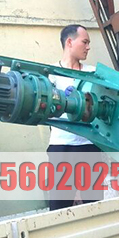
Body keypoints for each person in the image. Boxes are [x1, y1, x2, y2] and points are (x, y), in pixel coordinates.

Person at [46, 24, 103, 211]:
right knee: (59, 207)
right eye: (85, 42)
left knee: (94, 205)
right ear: (69, 42)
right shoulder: (51, 74)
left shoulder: (93, 74)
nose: (88, 47)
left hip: (90, 145)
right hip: (62, 146)